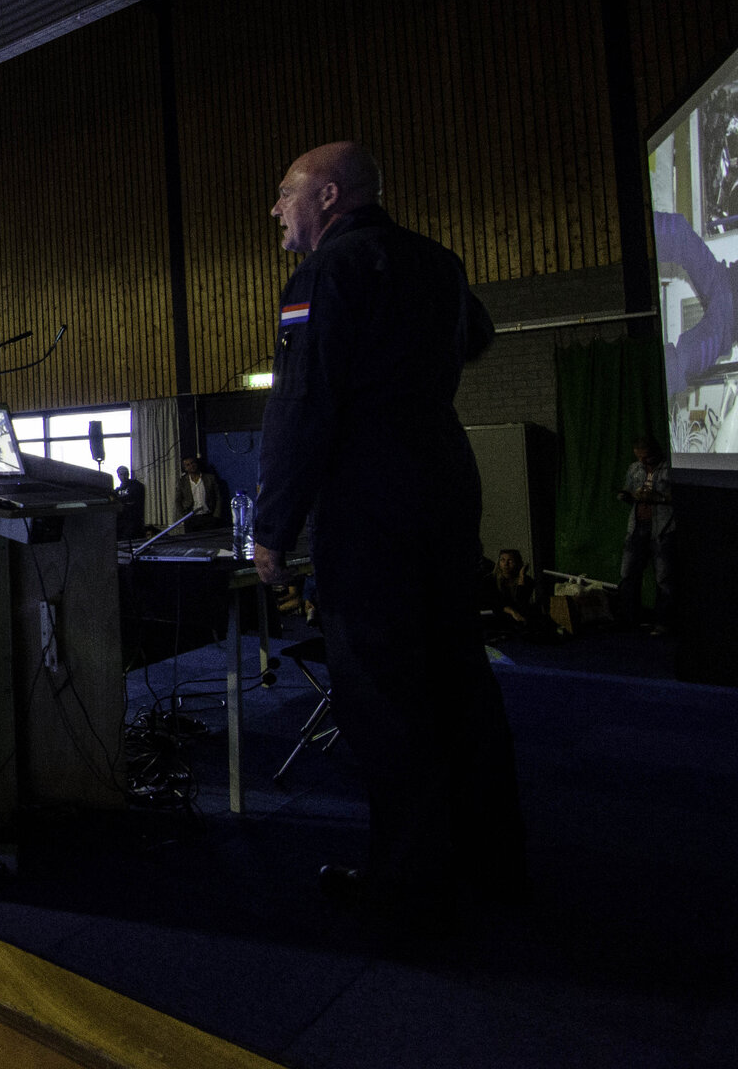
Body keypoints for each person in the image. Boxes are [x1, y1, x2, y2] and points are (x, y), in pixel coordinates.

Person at [250, 141, 524, 928]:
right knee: (459, 683)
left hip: (369, 507)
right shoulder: (438, 261)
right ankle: (492, 863)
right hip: (441, 489)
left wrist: (273, 528)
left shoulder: (325, 273)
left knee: (383, 698)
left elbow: (303, 404)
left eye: (284, 193)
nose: (276, 210)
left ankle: (408, 888)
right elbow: (476, 338)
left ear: (329, 197)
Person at [615, 436, 673, 632]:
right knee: (628, 574)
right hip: (637, 527)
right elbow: (627, 489)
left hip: (662, 529)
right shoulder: (635, 469)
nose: (642, 462)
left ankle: (663, 622)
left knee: (664, 578)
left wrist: (657, 497)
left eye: (646, 458)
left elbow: (682, 495)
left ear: (655, 453)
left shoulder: (668, 469)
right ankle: (630, 620)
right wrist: (627, 495)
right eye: (639, 457)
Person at [173, 456, 224, 532]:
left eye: (192, 463)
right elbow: (178, 500)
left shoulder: (210, 478)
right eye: (188, 465)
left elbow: (218, 497)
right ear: (185, 468)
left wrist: (216, 515)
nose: (191, 466)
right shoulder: (182, 482)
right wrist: (183, 516)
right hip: (191, 518)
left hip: (208, 517)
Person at [114, 465, 147, 538]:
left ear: (128, 474)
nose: (124, 476)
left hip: (133, 521)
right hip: (121, 522)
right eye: (121, 474)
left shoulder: (136, 485)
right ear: (118, 475)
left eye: (125, 474)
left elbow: (135, 501)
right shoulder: (118, 490)